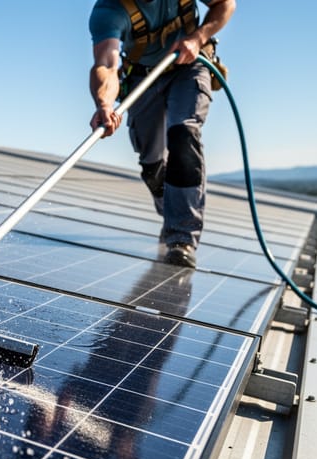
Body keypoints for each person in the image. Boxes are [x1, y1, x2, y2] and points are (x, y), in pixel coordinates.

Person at [88, 0, 236, 268]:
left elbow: (226, 4)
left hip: (190, 66)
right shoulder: (109, 11)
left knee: (183, 134)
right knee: (152, 164)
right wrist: (105, 105)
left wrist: (198, 37)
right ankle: (171, 213)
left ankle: (182, 238)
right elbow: (107, 65)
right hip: (143, 78)